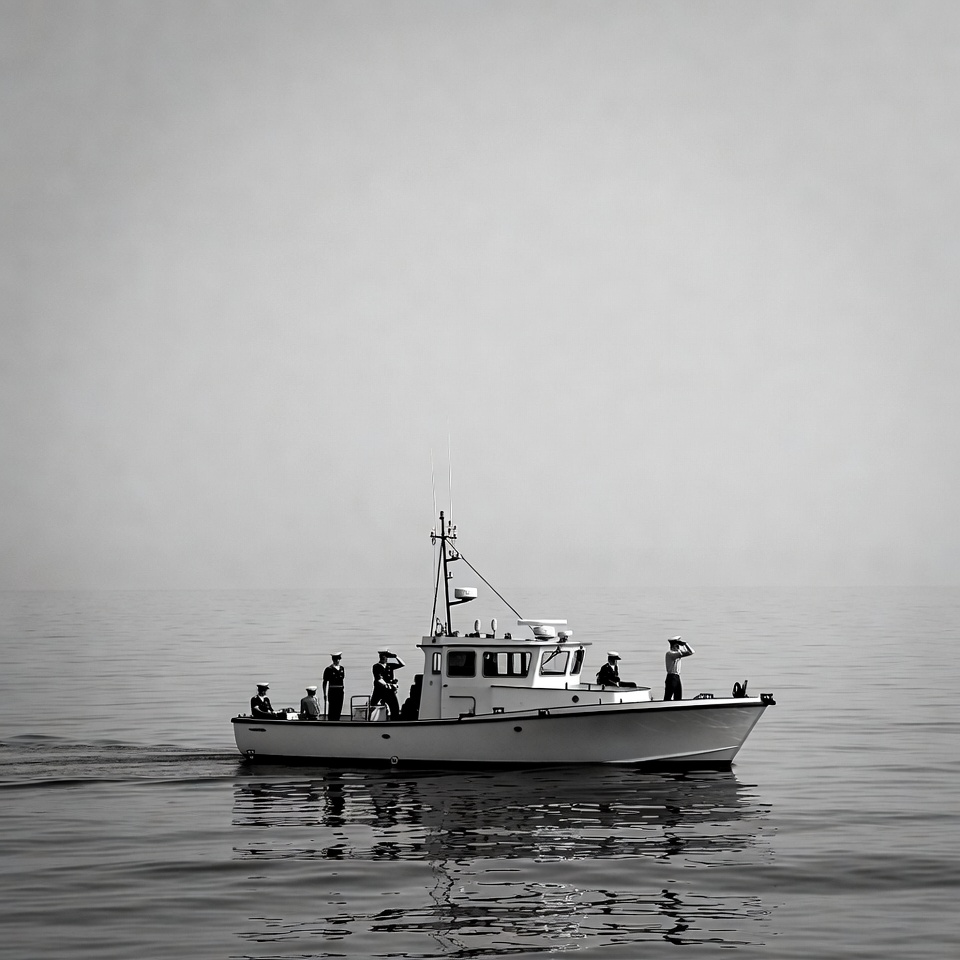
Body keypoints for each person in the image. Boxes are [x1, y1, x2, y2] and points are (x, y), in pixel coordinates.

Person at [371, 649, 405, 720]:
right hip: (379, 690)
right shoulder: (376, 666)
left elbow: (402, 664)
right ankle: (370, 719)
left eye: (385, 656)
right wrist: (387, 684)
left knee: (395, 707)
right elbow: (378, 678)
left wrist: (395, 657)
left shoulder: (389, 666)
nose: (384, 658)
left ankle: (394, 720)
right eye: (383, 656)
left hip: (389, 691)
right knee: (373, 705)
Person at [664, 636, 695, 701]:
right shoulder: (670, 654)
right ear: (673, 646)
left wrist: (685, 644)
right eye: (677, 646)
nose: (679, 648)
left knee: (678, 697)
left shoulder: (677, 653)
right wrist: (683, 645)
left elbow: (691, 652)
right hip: (671, 677)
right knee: (668, 697)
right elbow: (687, 652)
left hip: (677, 677)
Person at [322, 652, 345, 721]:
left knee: (339, 707)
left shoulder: (342, 668)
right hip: (333, 690)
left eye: (338, 659)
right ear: (333, 660)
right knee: (332, 707)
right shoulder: (329, 669)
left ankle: (337, 719)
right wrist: (324, 694)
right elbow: (325, 682)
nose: (337, 661)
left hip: (340, 690)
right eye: (336, 659)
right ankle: (331, 720)